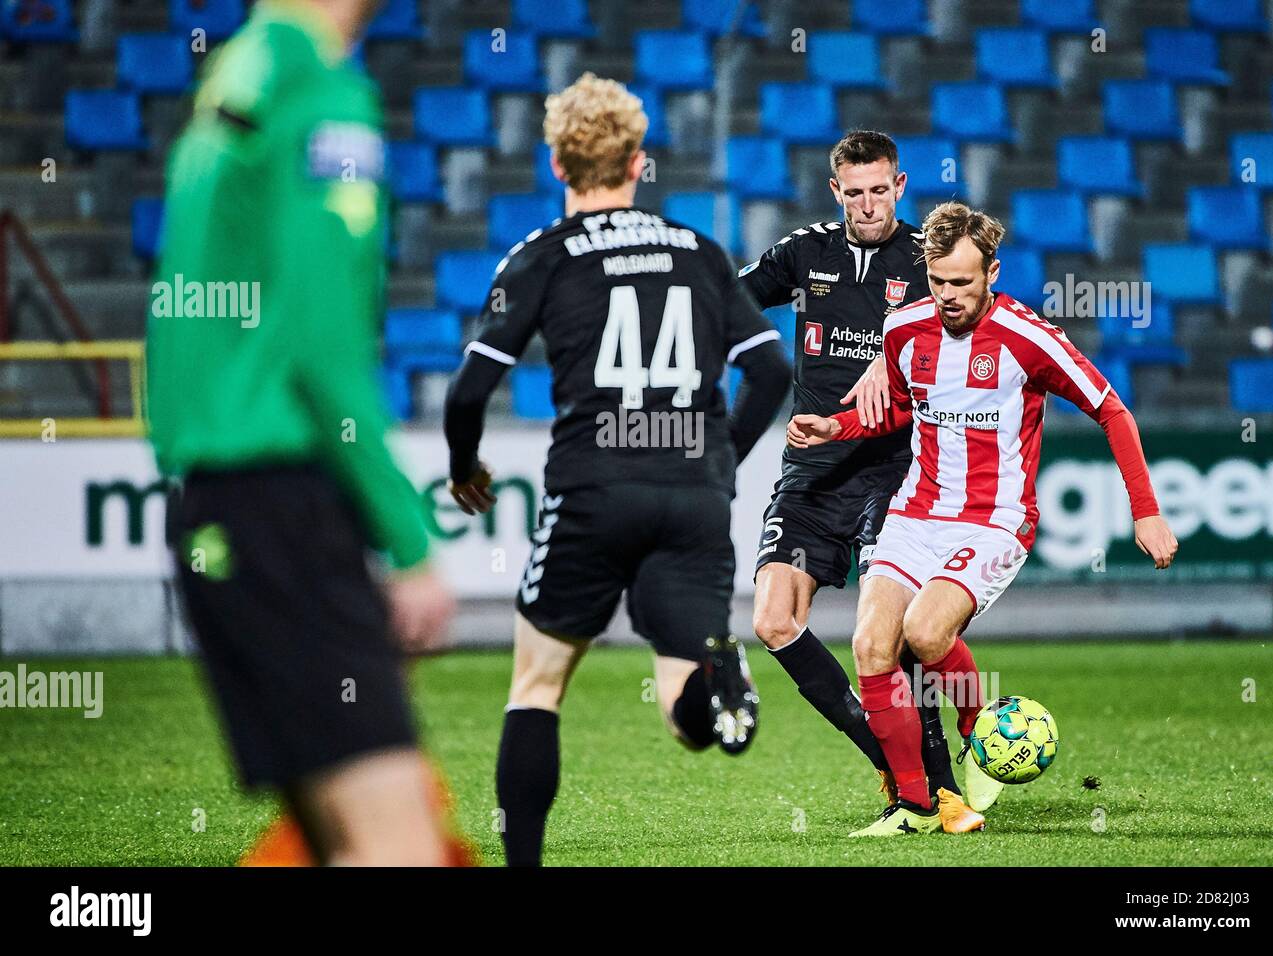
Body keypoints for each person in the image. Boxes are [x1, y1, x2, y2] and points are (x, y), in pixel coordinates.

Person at [443, 73, 792, 866]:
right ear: (640, 161)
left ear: (558, 166)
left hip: (593, 493)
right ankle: (720, 685)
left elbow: (468, 393)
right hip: (693, 499)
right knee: (683, 717)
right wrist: (719, 461)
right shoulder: (699, 253)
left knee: (536, 688)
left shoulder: (542, 258)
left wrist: (466, 466)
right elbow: (771, 372)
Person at [147, 0, 461, 865]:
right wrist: (408, 538)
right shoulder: (321, 95)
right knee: (401, 849)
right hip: (282, 500)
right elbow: (320, 345)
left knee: (332, 844)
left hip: (216, 506)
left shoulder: (241, 70)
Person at [788, 201, 1179, 836]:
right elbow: (895, 413)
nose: (947, 296)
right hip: (915, 514)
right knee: (869, 645)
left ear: (992, 271)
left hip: (994, 521)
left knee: (925, 632)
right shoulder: (903, 328)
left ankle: (980, 734)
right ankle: (916, 806)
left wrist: (1147, 512)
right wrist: (837, 426)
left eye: (962, 283)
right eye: (938, 281)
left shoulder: (1029, 337)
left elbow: (1112, 409)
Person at [739, 130, 996, 829]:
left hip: (895, 471)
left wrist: (897, 351)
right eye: (854, 192)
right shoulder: (804, 252)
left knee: (898, 637)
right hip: (812, 471)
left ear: (900, 185)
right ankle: (892, 764)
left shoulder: (927, 263)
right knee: (772, 620)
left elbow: (973, 336)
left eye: (879, 189)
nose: (867, 203)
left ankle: (939, 789)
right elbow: (731, 305)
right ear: (836, 191)